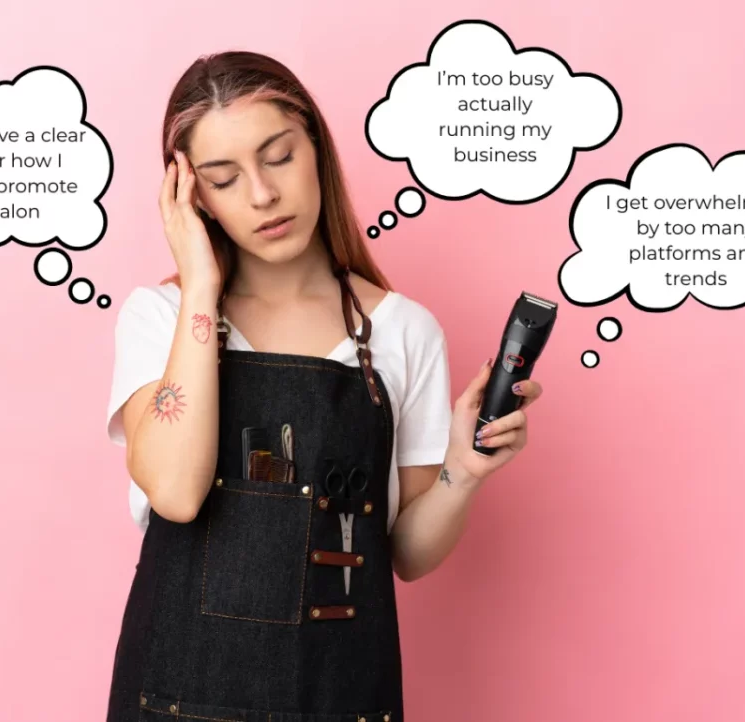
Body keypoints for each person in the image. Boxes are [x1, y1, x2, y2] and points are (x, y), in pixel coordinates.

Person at [104, 50, 543, 722]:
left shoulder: (403, 331)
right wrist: (199, 284)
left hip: (339, 697)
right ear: (193, 198)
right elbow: (176, 492)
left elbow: (407, 555)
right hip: (173, 698)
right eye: (224, 179)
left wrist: (464, 470)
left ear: (316, 148)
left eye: (278, 156)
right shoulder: (159, 317)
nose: (262, 195)